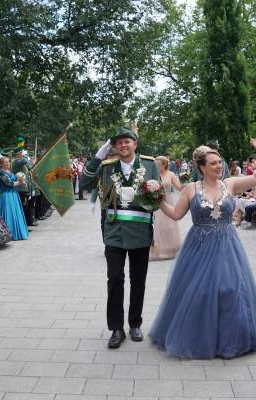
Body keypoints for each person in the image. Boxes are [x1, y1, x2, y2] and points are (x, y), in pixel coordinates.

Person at [149, 139, 256, 359]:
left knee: (231, 290)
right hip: (198, 247)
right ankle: (199, 337)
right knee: (200, 292)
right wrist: (156, 199)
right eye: (213, 163)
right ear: (202, 167)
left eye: (220, 162)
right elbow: (176, 214)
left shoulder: (230, 184)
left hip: (227, 245)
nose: (219, 166)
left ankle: (231, 338)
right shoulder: (191, 189)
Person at [80, 126, 160, 349]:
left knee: (138, 280)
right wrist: (98, 157)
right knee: (114, 280)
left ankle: (135, 323)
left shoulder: (149, 164)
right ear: (114, 147)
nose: (123, 145)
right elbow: (84, 183)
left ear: (135, 144)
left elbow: (159, 196)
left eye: (127, 141)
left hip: (141, 231)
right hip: (114, 232)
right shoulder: (106, 167)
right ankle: (116, 328)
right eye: (118, 143)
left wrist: (156, 188)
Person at [150, 156, 182, 261]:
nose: (156, 166)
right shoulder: (154, 174)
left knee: (170, 225)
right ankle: (158, 249)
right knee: (158, 225)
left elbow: (179, 187)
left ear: (164, 165)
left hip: (168, 201)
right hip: (157, 202)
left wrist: (185, 180)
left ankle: (171, 249)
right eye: (156, 164)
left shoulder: (171, 174)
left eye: (158, 164)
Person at [0, 156, 29, 241]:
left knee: (15, 213)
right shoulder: (0, 172)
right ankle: (8, 234)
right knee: (9, 213)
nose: (8, 163)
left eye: (8, 162)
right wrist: (18, 182)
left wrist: (20, 179)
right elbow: (8, 183)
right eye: (5, 162)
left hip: (13, 194)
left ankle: (16, 232)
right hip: (6, 195)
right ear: (1, 164)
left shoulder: (8, 171)